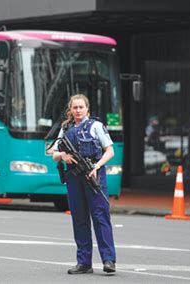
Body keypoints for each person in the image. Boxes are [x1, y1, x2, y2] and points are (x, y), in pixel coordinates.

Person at [52, 94, 116, 275]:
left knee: (100, 216)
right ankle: (84, 262)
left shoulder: (96, 126)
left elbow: (109, 151)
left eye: (81, 107)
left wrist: (96, 166)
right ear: (70, 110)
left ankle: (109, 260)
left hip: (93, 174)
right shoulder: (65, 128)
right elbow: (53, 152)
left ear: (87, 108)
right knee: (79, 218)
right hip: (73, 176)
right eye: (75, 107)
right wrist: (62, 156)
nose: (78, 110)